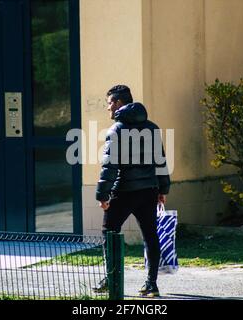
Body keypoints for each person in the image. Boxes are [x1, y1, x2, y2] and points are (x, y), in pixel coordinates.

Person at [93, 85, 171, 297]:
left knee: (109, 233)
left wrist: (102, 194)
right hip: (149, 190)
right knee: (150, 234)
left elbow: (110, 166)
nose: (108, 108)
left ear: (118, 103)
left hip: (124, 191)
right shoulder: (152, 127)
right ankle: (151, 284)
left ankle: (111, 279)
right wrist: (163, 188)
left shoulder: (117, 130)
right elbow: (161, 161)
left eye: (109, 103)